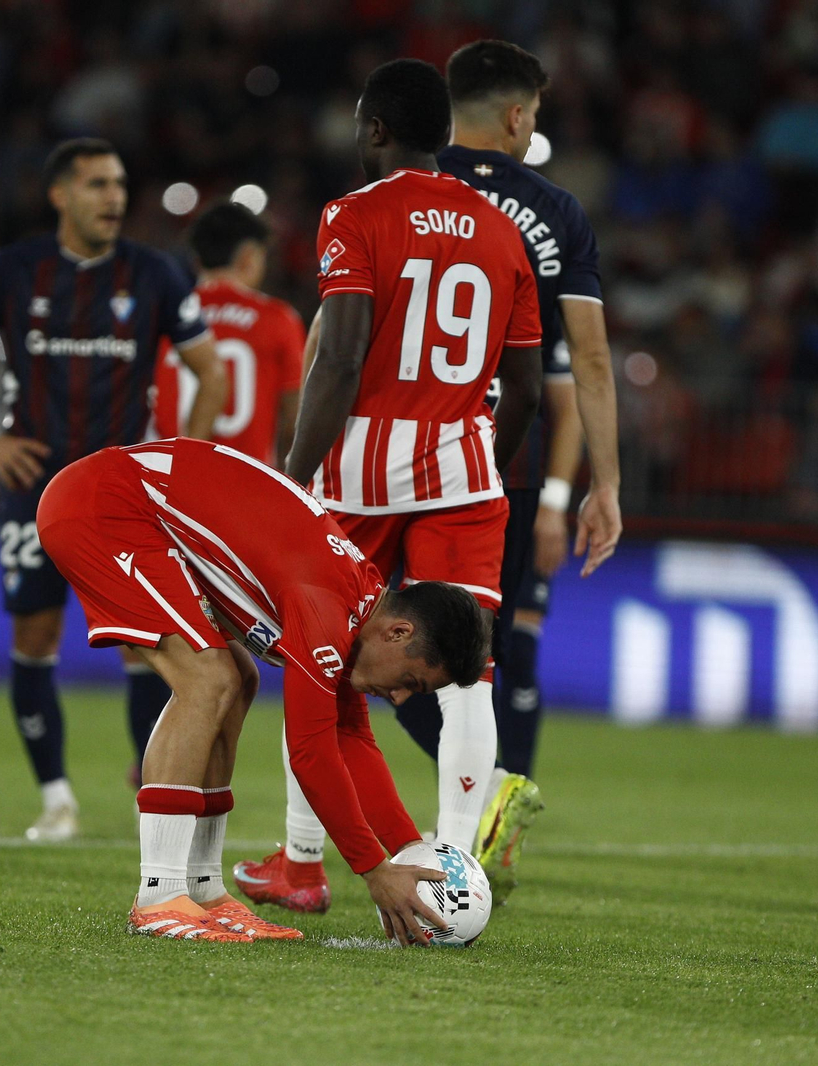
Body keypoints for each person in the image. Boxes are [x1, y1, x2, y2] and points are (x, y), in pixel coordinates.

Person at [234, 57, 550, 914]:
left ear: (375, 129)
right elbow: (524, 384)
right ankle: (456, 869)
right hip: (463, 467)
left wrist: (292, 480)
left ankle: (302, 864)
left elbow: (337, 356)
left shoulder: (355, 215)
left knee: (330, 660)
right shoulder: (498, 227)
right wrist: (481, 451)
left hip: (360, 472)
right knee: (469, 675)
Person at [38, 437, 484, 943]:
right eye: (410, 682)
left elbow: (351, 738)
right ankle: (159, 894)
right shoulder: (325, 605)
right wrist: (374, 870)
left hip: (134, 505)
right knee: (208, 679)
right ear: (399, 633)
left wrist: (408, 852)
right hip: (104, 504)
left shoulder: (358, 600)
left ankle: (203, 890)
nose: (400, 698)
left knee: (239, 678)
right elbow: (311, 753)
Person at [0, 139, 226, 841]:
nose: (113, 197)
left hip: (122, 493)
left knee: (143, 642)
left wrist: (178, 462)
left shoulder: (155, 272)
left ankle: (152, 781)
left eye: (119, 184)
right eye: (96, 184)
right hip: (33, 484)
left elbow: (210, 371)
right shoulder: (14, 270)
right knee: (35, 632)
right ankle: (56, 799)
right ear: (60, 195)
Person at [410, 38, 623, 902]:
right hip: (503, 462)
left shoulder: (400, 196)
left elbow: (343, 339)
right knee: (482, 658)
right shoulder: (556, 211)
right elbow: (590, 364)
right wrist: (600, 485)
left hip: (396, 453)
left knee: (362, 648)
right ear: (519, 115)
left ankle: (311, 855)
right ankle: (474, 823)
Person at [151, 201, 305, 468]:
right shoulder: (278, 319)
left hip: (168, 482)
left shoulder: (163, 316)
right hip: (247, 484)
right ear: (248, 256)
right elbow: (295, 416)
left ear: (196, 259)